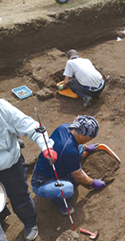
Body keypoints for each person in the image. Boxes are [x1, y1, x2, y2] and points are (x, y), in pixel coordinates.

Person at [0, 99, 57, 241]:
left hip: (10, 166)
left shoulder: (2, 108)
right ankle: (2, 214)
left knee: (19, 197)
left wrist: (46, 147)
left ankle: (30, 222)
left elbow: (33, 127)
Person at [31, 115, 105, 216]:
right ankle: (60, 203)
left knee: (79, 149)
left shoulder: (66, 127)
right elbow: (78, 176)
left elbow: (77, 145)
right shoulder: (69, 151)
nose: (91, 139)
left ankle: (66, 176)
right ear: (83, 135)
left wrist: (86, 148)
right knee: (67, 188)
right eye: (90, 137)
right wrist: (92, 182)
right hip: (43, 182)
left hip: (55, 164)